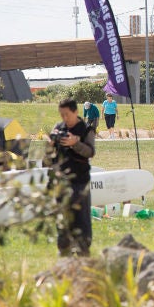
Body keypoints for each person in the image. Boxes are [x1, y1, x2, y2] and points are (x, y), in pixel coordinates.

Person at [48, 98, 95, 257]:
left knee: (81, 218)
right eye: (61, 115)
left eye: (67, 114)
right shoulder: (58, 128)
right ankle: (64, 251)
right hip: (61, 181)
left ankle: (83, 251)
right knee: (62, 218)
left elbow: (90, 152)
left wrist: (75, 143)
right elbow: (47, 159)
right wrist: (50, 145)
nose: (64, 118)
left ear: (76, 112)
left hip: (80, 182)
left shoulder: (86, 129)